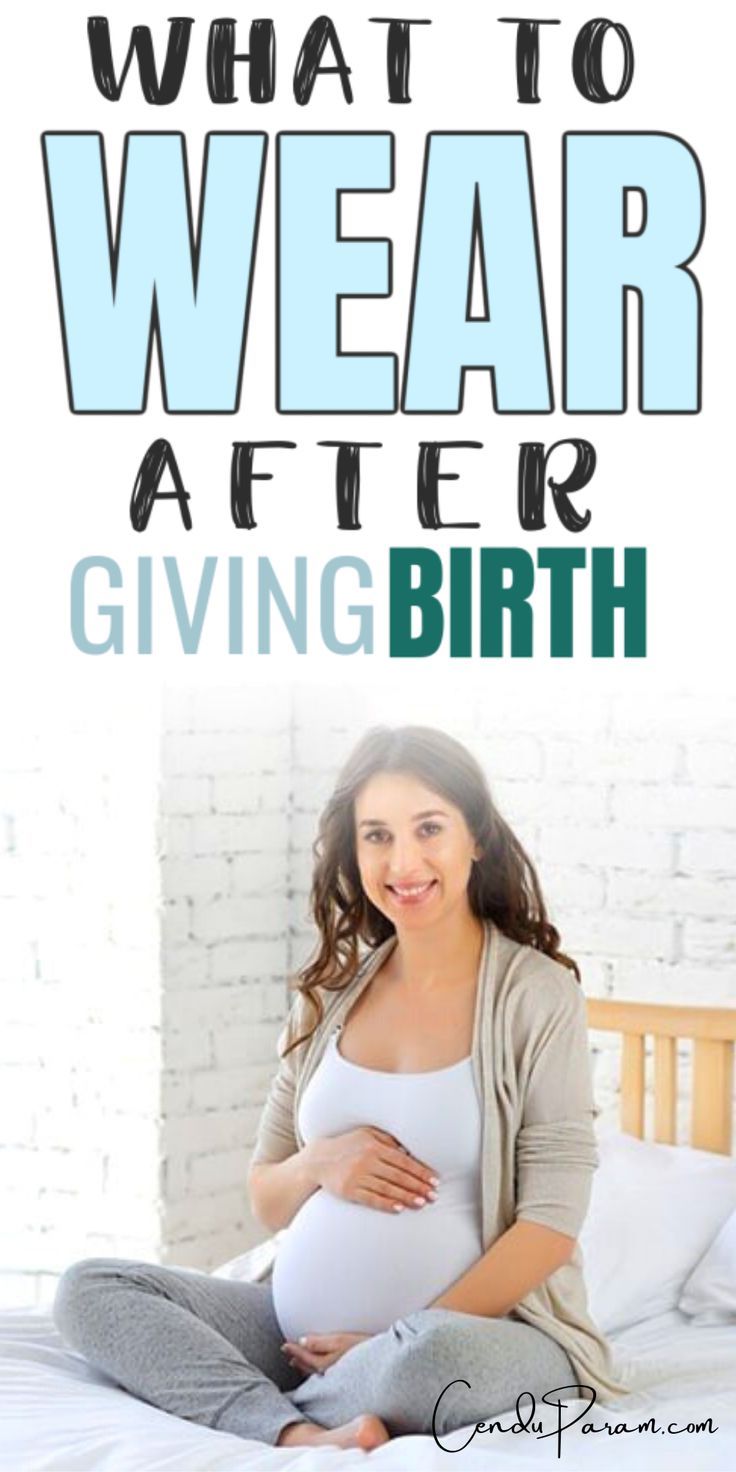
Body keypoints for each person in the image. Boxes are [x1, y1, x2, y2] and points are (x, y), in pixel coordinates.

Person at [53, 725, 630, 1452]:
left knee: (431, 1361)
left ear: (475, 838)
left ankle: (274, 1400)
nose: (404, 861)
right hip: (296, 1335)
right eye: (377, 836)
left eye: (429, 829)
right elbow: (267, 1197)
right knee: (92, 1291)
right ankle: (296, 1427)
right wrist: (319, 1164)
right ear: (354, 854)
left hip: (474, 1341)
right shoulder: (328, 995)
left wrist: (386, 1341)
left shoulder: (534, 996)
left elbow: (549, 1227)